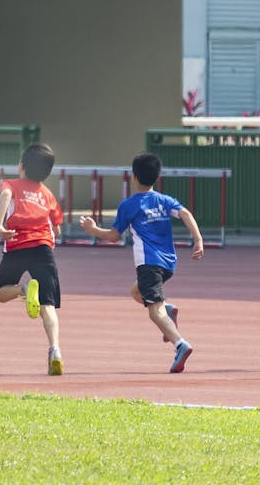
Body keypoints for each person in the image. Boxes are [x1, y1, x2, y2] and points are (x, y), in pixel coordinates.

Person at [79, 152, 205, 373]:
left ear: (134, 176)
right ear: (157, 177)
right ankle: (169, 310)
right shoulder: (164, 200)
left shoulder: (129, 205)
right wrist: (198, 239)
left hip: (149, 263)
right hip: (168, 264)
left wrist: (92, 230)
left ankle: (180, 344)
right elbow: (185, 214)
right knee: (136, 292)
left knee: (153, 311)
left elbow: (113, 236)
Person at [0, 142, 66, 375]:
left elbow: (5, 194)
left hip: (17, 245)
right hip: (43, 248)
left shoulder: (11, 184)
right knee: (48, 305)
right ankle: (55, 350)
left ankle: (23, 290)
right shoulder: (47, 195)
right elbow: (58, 228)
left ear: (21, 166)